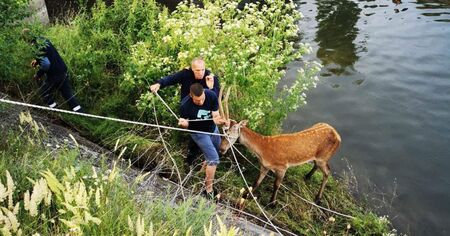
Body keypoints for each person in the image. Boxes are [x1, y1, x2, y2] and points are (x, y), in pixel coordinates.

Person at [150, 58, 220, 166]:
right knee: (195, 131)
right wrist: (159, 84)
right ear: (192, 69)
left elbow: (216, 96)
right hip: (189, 108)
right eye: (197, 70)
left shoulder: (210, 77)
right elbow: (171, 79)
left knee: (208, 133)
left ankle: (204, 160)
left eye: (202, 70)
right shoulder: (185, 74)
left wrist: (211, 87)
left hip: (205, 110)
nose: (200, 73)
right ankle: (190, 161)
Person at [178, 83, 229, 198]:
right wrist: (184, 124)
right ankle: (208, 191)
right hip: (199, 133)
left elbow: (215, 117)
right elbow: (184, 123)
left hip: (212, 129)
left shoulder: (211, 95)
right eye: (197, 101)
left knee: (217, 150)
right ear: (191, 96)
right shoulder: (185, 105)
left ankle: (202, 173)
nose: (200, 102)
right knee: (213, 159)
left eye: (201, 99)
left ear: (204, 93)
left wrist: (221, 121)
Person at [22, 28, 83, 112]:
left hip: (54, 75)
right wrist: (37, 60)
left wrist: (38, 74)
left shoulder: (36, 47)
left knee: (44, 93)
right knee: (67, 94)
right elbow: (49, 54)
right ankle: (80, 112)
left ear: (26, 39)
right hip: (62, 69)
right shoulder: (43, 40)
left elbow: (46, 64)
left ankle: (55, 111)